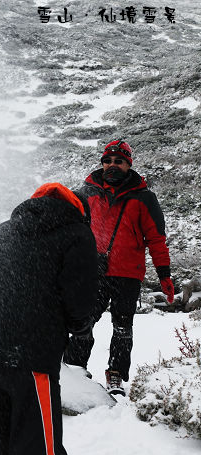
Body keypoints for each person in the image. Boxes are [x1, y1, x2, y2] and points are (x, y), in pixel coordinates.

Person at [0, 183, 97, 455]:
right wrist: (78, 326)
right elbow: (80, 304)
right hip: (29, 357)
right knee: (38, 454)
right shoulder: (77, 234)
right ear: (79, 211)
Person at [63, 139, 173, 395]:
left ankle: (116, 376)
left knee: (122, 328)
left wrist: (164, 275)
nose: (112, 165)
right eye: (108, 161)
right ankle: (75, 369)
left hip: (128, 274)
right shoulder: (86, 193)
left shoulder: (144, 198)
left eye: (119, 161)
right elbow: (68, 229)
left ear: (128, 164)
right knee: (82, 323)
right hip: (93, 272)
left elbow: (156, 239)